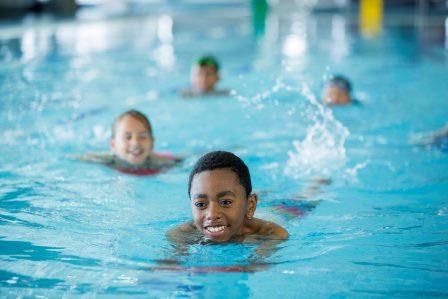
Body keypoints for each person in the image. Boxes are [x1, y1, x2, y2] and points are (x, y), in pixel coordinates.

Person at [167, 151, 288, 245]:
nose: (212, 214)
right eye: (200, 204)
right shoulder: (182, 235)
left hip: (281, 212)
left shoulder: (270, 234)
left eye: (225, 202)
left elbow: (256, 267)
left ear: (250, 205)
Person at [76, 109, 180, 175]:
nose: (135, 142)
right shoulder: (104, 160)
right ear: (113, 145)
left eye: (142, 136)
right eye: (128, 137)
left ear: (152, 142)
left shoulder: (164, 163)